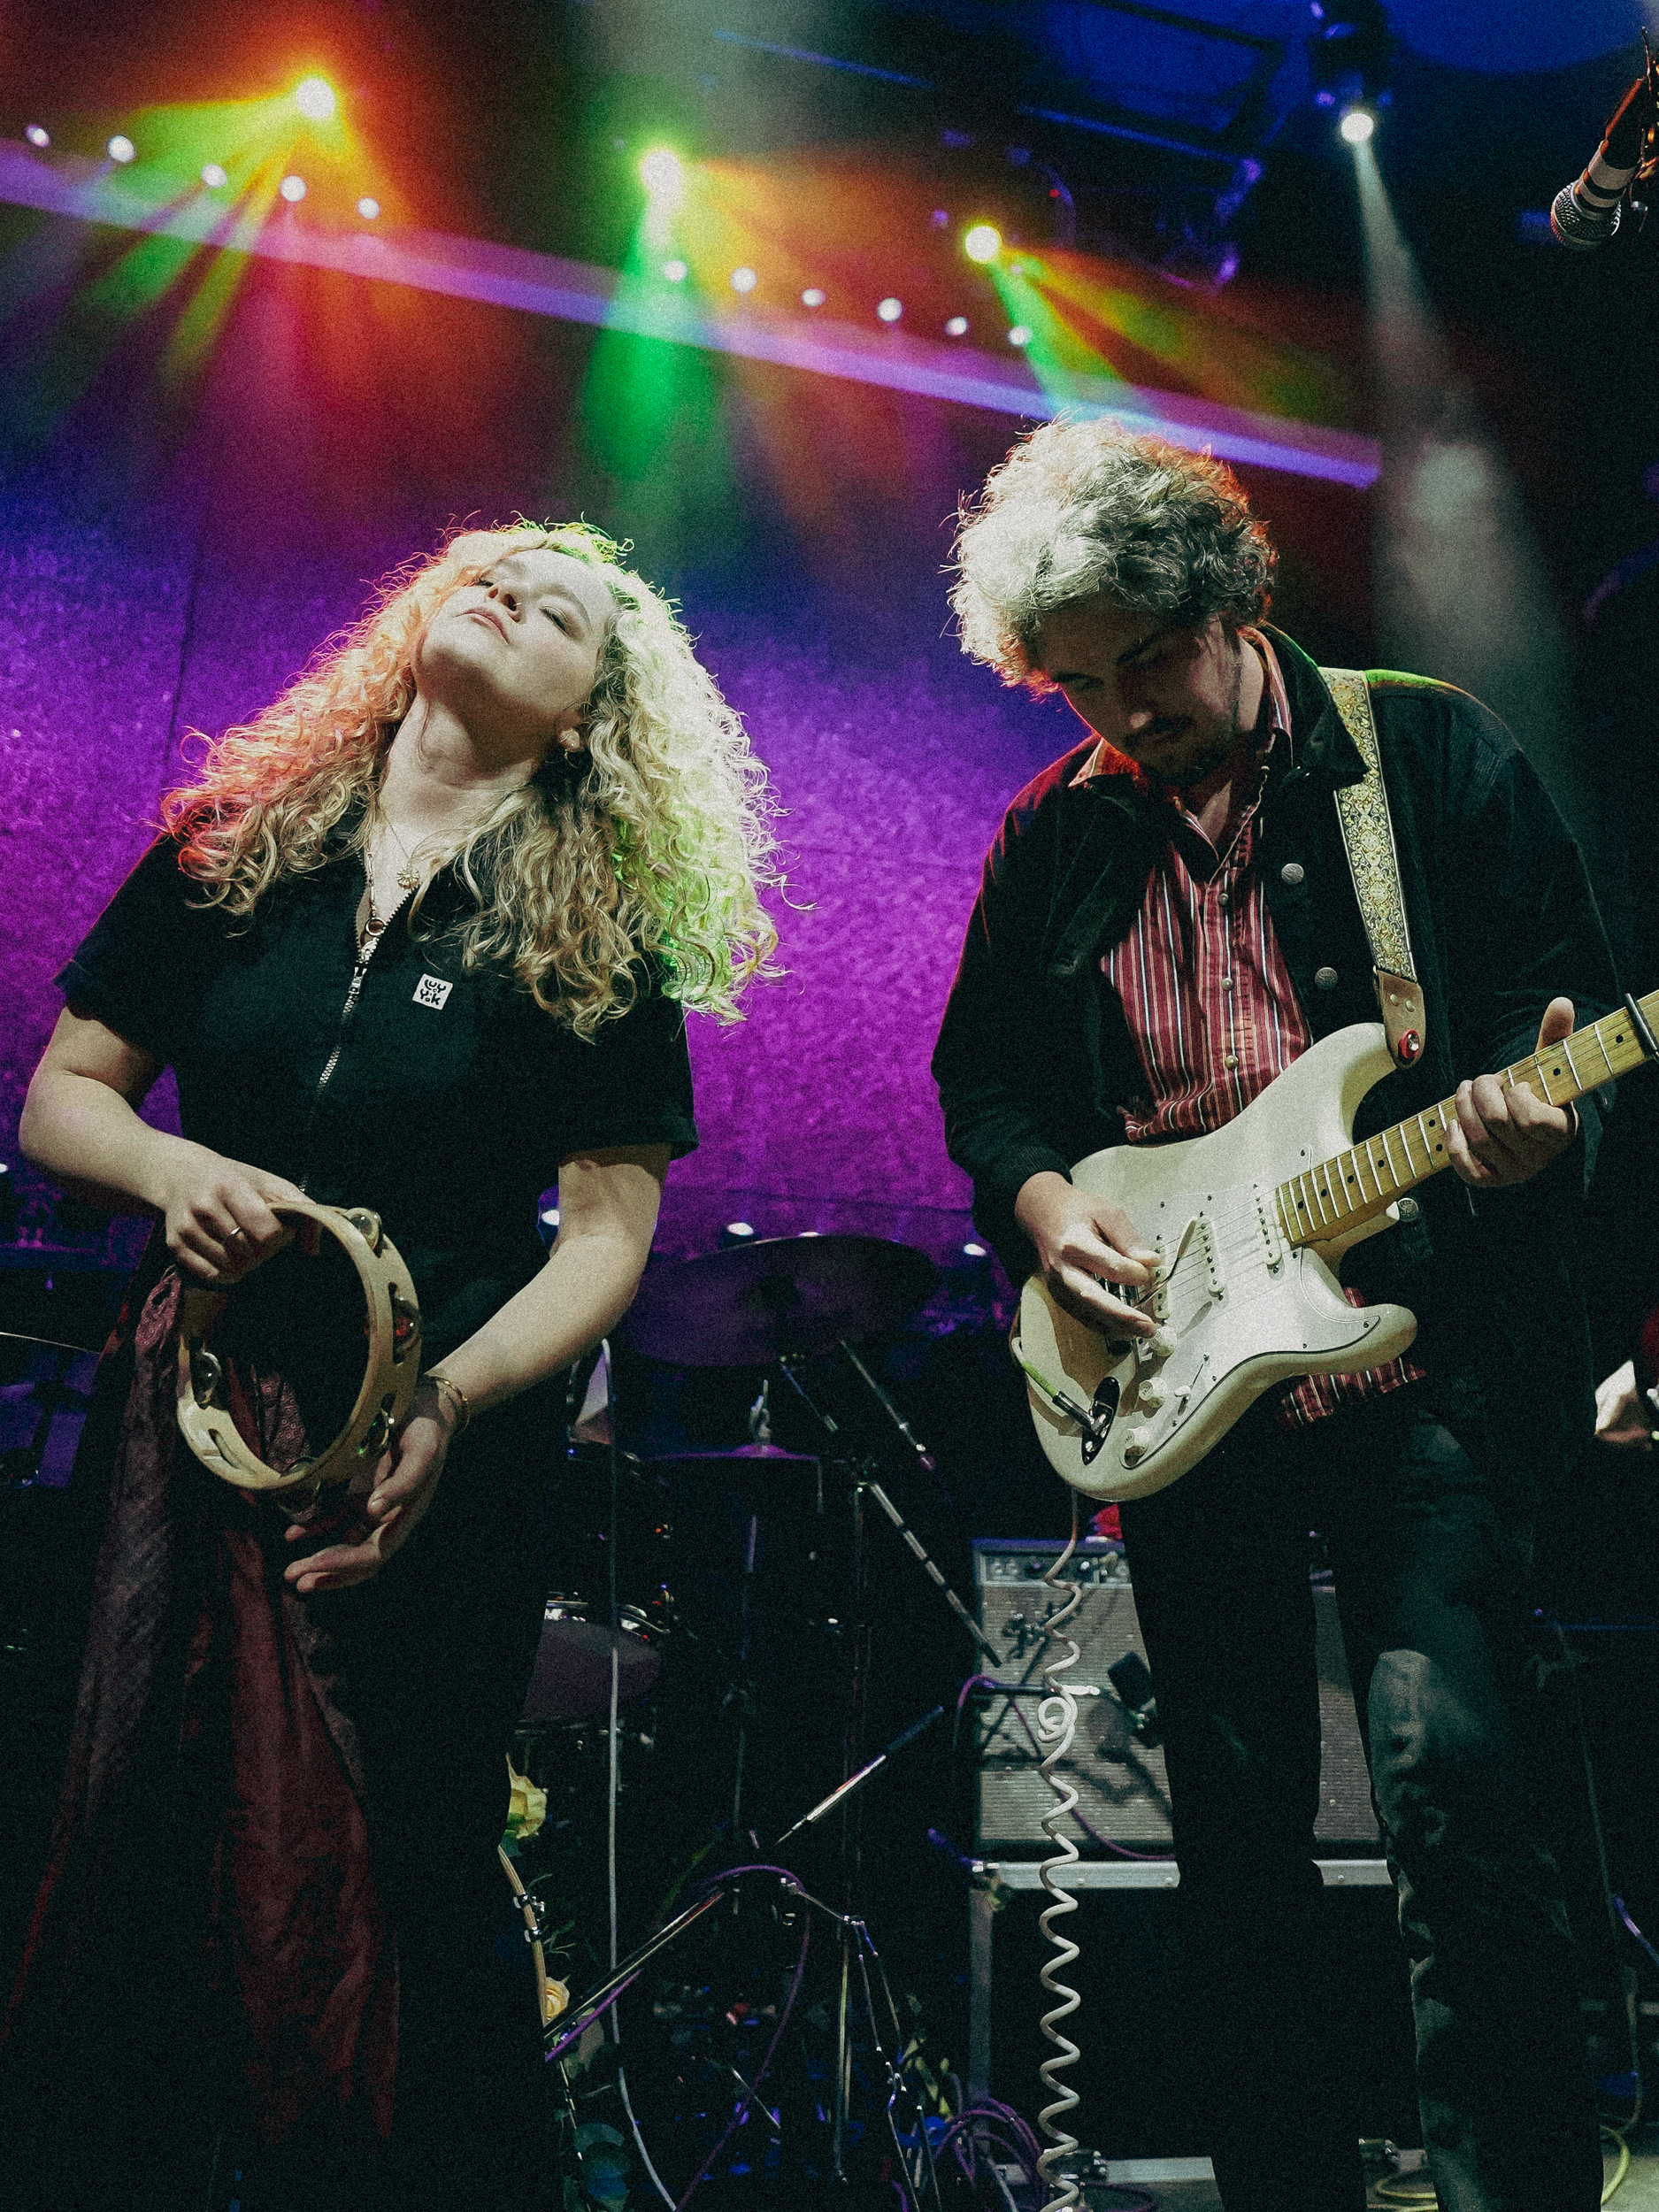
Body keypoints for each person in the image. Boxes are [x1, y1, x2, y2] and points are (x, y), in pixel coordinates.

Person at [2, 523, 778, 2212]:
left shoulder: (594, 927)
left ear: (584, 718)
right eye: (490, 571)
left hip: (430, 1438)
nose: (508, 591)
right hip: (192, 1406)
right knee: (134, 1807)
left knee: (393, 1845)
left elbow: (606, 1240)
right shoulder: (234, 843)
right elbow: (63, 1095)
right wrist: (168, 1171)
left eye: (558, 611)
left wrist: (453, 1403)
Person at [933, 424, 1617, 2212]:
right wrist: (1043, 1202)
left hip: (1423, 1357)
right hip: (1179, 1380)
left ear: (1231, 598)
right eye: (1077, 683)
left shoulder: (1425, 751)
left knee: (1453, 1787)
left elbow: (1564, 1016)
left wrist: (1533, 1128)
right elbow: (983, 1083)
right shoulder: (1050, 833)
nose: (1123, 712)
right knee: (1235, 1833)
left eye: (1149, 659)